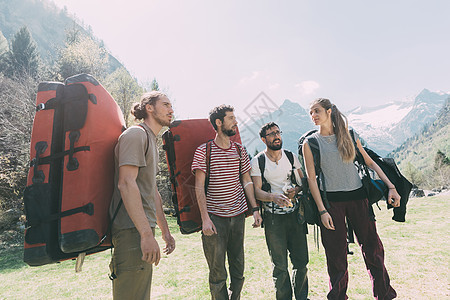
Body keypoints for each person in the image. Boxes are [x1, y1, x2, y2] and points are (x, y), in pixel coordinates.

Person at [302, 98, 400, 300]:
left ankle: (384, 294)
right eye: (310, 112)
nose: (313, 115)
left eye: (317, 111)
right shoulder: (310, 143)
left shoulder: (350, 135)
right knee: (336, 255)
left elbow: (370, 162)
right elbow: (311, 179)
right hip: (331, 204)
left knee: (373, 249)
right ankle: (338, 297)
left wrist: (391, 186)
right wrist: (322, 210)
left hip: (359, 199)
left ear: (329, 111)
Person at [109, 91, 176, 299]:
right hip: (131, 231)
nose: (171, 110)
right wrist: (146, 235)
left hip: (140, 229)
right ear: (149, 108)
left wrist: (165, 232)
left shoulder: (150, 139)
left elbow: (151, 190)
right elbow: (126, 183)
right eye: (165, 104)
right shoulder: (136, 135)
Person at [192, 105, 262, 300]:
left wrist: (255, 209)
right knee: (217, 273)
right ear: (219, 122)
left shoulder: (239, 150)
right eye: (231, 118)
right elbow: (199, 186)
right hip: (215, 219)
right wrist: (205, 219)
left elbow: (247, 181)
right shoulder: (203, 151)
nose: (236, 122)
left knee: (238, 269)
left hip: (238, 217)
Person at [251, 122, 309, 300]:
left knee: (301, 263)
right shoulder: (258, 161)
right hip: (273, 219)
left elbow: (302, 182)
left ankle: (302, 297)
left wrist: (296, 191)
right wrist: (273, 197)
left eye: (278, 132)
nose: (277, 136)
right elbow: (256, 190)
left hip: (295, 215)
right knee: (280, 265)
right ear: (263, 139)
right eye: (271, 134)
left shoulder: (291, 157)